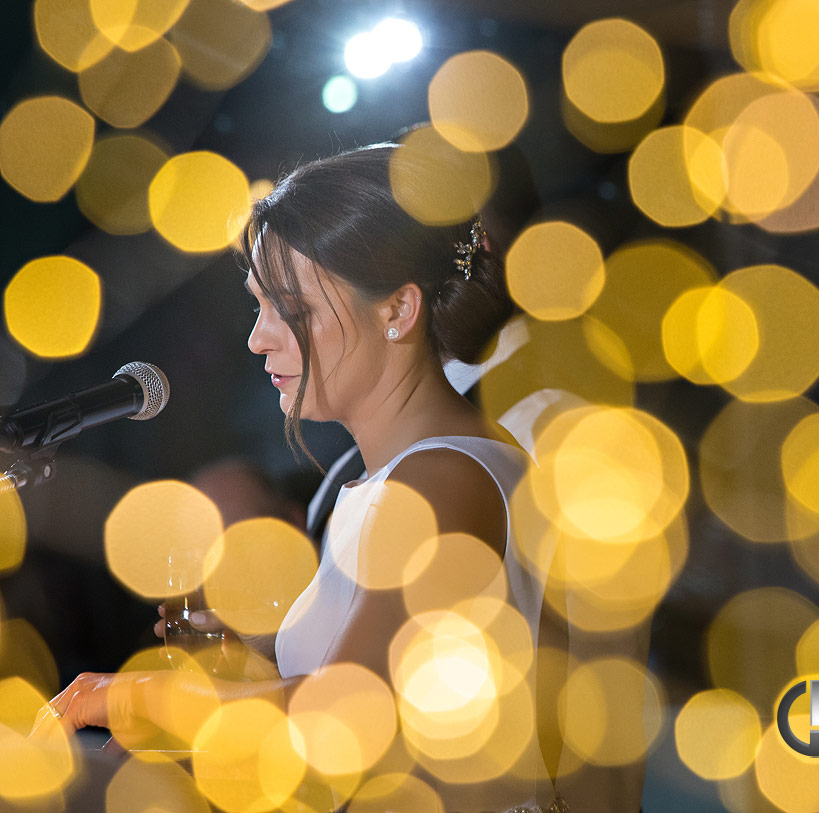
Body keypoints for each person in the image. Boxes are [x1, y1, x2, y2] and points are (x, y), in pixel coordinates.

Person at [40, 142, 571, 813]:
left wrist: (128, 696)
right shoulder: (400, 479)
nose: (260, 337)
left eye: (291, 308)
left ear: (398, 311)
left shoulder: (441, 478)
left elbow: (346, 719)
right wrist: (256, 660)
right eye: (258, 305)